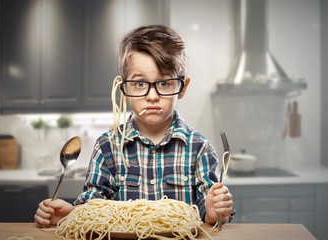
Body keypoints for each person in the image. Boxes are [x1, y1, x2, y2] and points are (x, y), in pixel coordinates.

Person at [34, 24, 234, 228]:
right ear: (123, 89)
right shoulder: (107, 147)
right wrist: (71, 215)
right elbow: (93, 206)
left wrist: (215, 210)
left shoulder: (199, 148)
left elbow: (209, 215)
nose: (152, 96)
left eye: (164, 83)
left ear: (182, 87)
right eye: (140, 84)